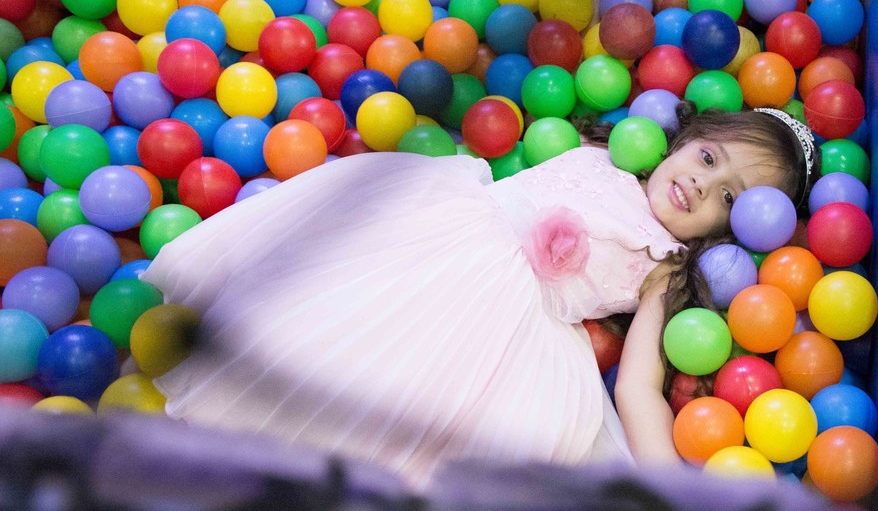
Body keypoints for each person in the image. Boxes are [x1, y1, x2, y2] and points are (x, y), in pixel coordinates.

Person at [142, 104, 818, 488]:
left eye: (728, 197)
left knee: (404, 394)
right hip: (440, 233)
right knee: (334, 313)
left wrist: (673, 491)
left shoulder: (665, 267)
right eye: (708, 160)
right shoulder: (610, 153)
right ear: (683, 140)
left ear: (732, 228)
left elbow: (637, 386)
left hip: (502, 324)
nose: (703, 186)